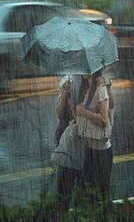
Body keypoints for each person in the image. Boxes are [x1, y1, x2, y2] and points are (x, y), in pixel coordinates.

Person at [56, 73, 114, 212]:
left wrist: (109, 85)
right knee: (68, 188)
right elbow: (60, 114)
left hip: (90, 146)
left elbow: (107, 113)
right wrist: (65, 94)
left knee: (92, 192)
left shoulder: (98, 86)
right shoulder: (70, 82)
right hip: (72, 145)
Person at [75, 69, 114, 212]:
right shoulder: (87, 89)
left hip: (101, 153)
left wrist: (83, 112)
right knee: (88, 194)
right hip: (89, 150)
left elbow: (104, 120)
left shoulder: (100, 89)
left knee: (102, 196)